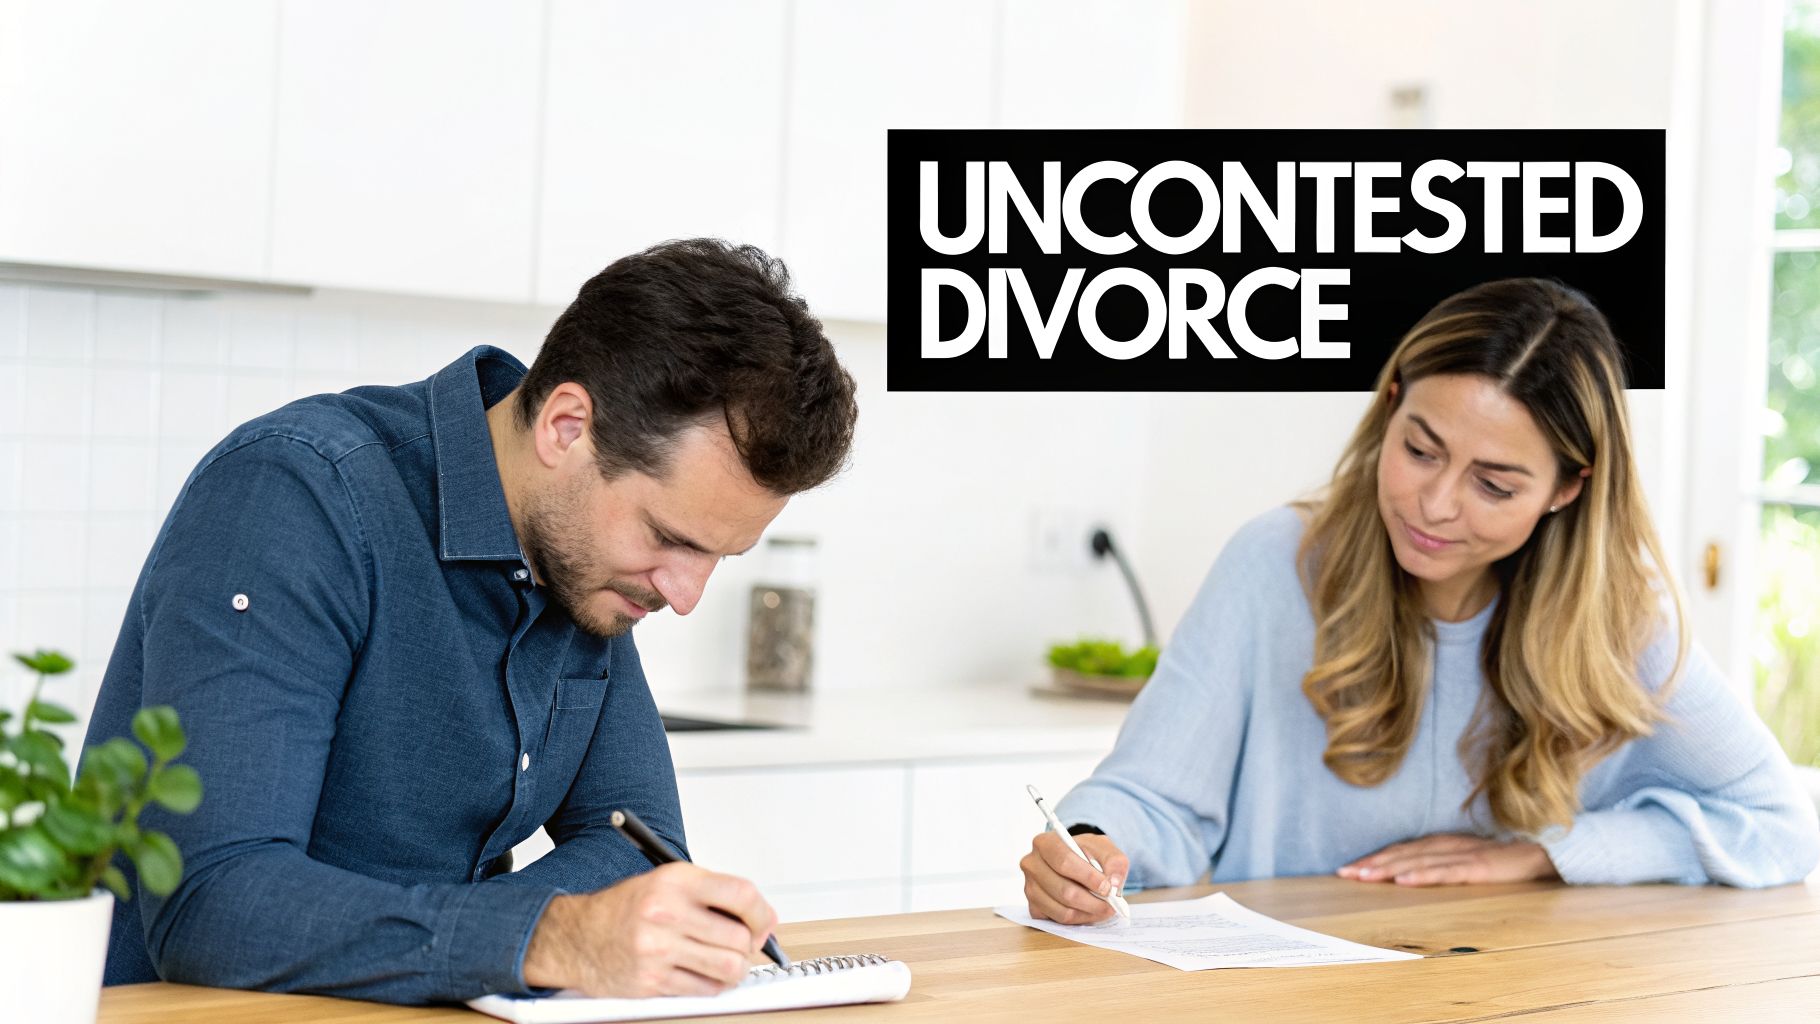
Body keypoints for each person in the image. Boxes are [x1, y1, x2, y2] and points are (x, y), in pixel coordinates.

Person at [84, 239, 859, 1002]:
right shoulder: (297, 494)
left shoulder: (587, 565)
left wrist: (567, 935)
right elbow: (216, 907)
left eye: (718, 557)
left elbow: (636, 849)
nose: (684, 594)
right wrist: (555, 937)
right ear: (566, 427)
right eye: (669, 537)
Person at [1019, 278, 1820, 925]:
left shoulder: (1618, 619)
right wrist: (1093, 844)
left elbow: (1782, 826)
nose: (1435, 504)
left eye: (1494, 484)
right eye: (1420, 449)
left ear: (1567, 489)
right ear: (1392, 401)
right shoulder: (1276, 563)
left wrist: (1547, 851)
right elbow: (1152, 791)